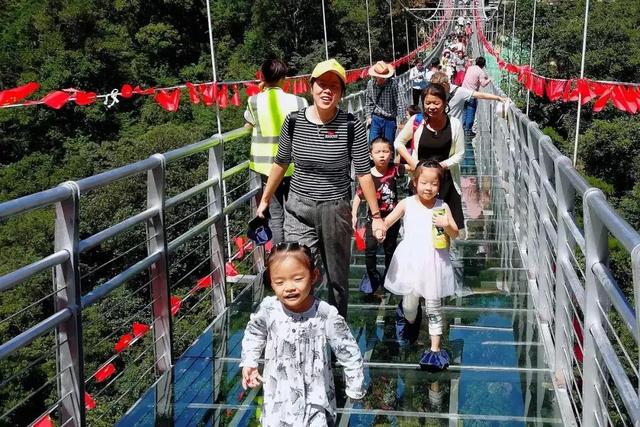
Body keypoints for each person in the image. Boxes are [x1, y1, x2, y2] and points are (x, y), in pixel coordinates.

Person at [256, 58, 387, 320]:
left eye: (334, 87)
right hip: (298, 209)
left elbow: (363, 173)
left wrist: (376, 216)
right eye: (322, 85)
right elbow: (281, 163)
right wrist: (265, 201)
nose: (327, 91)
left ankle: (335, 333)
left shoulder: (351, 126)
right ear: (311, 87)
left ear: (341, 92)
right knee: (299, 271)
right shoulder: (293, 122)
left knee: (337, 280)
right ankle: (302, 329)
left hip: (335, 209)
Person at [240, 242, 365, 426]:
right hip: (279, 399)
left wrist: (355, 385)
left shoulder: (324, 314)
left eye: (297, 278)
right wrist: (250, 362)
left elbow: (347, 348)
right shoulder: (269, 309)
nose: (288, 287)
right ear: (271, 282)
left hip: (315, 400)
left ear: (314, 276)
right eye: (279, 282)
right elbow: (254, 333)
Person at [383, 160, 458, 370]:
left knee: (434, 306)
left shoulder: (442, 206)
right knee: (410, 305)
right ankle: (408, 318)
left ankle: (435, 350)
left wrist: (447, 226)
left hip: (435, 263)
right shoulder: (407, 203)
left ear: (439, 185)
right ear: (414, 182)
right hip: (411, 262)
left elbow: (455, 233)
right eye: (424, 182)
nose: (429, 188)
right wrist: (380, 227)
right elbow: (388, 221)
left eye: (434, 183)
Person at [245, 59, 308, 244]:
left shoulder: (253, 100)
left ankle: (280, 254)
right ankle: (296, 250)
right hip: (293, 164)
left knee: (275, 213)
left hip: (267, 167)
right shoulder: (299, 101)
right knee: (294, 211)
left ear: (263, 77)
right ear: (284, 78)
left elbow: (249, 124)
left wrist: (261, 90)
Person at [394, 83, 465, 232]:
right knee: (419, 223)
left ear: (445, 103)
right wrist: (414, 163)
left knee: (445, 227)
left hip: (446, 181)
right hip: (421, 181)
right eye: (428, 103)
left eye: (436, 103)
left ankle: (441, 254)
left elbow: (460, 154)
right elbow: (399, 142)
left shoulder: (455, 124)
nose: (431, 107)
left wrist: (441, 166)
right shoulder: (416, 121)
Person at [351, 137, 406, 292]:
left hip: (392, 218)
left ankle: (390, 276)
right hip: (373, 219)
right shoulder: (367, 175)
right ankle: (372, 276)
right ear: (370, 155)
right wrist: (354, 214)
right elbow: (358, 195)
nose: (382, 155)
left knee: (390, 249)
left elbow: (414, 168)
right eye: (378, 152)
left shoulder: (395, 169)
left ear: (391, 154)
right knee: (370, 249)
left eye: (385, 151)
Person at [429, 71, 507, 128]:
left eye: (438, 87)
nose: (435, 90)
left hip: (454, 130)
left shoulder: (459, 91)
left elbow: (479, 95)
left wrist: (497, 97)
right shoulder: (435, 92)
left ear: (444, 84)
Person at [365, 60, 406, 143]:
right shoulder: (370, 84)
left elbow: (400, 104)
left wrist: (401, 121)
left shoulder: (395, 84)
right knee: (373, 144)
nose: (381, 79)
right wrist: (368, 117)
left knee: (389, 145)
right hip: (376, 118)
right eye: (378, 76)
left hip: (390, 119)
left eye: (383, 77)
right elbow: (368, 102)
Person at [461, 56, 491, 136]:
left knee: (464, 111)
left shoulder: (470, 68)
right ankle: (468, 130)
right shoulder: (481, 72)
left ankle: (463, 128)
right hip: (472, 94)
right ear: (483, 65)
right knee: (471, 111)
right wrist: (489, 79)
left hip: (463, 92)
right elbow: (483, 84)